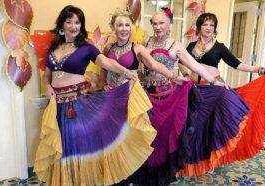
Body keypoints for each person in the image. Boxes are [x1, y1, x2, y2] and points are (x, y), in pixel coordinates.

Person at [115, 9, 250, 186]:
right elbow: (140, 67)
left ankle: (162, 173)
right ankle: (144, 171)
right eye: (154, 23)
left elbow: (194, 65)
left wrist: (213, 82)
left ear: (169, 24)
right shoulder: (145, 42)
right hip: (146, 96)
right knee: (146, 136)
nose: (157, 27)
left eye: (161, 23)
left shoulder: (176, 45)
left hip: (167, 98)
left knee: (164, 137)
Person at [33, 5, 159, 186]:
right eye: (69, 22)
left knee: (80, 146)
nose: (73, 26)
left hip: (78, 103)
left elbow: (106, 62)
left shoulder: (86, 47)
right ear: (62, 24)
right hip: (57, 106)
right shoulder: (54, 47)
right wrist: (48, 86)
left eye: (77, 22)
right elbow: (47, 75)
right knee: (63, 149)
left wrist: (125, 72)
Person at [178, 12, 265, 177]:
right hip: (194, 90)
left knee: (212, 127)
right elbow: (181, 62)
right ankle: (190, 158)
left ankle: (211, 160)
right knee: (194, 126)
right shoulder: (191, 46)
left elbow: (237, 64)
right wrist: (185, 75)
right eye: (205, 24)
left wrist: (259, 69)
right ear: (199, 27)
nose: (208, 28)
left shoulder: (219, 47)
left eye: (212, 25)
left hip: (214, 90)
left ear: (215, 29)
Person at [101, 9, 186, 90]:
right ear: (113, 27)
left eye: (127, 25)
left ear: (131, 28)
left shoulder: (138, 48)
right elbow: (103, 67)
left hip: (130, 94)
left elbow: (154, 64)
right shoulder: (108, 48)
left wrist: (173, 77)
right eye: (120, 25)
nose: (124, 29)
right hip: (111, 94)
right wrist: (104, 84)